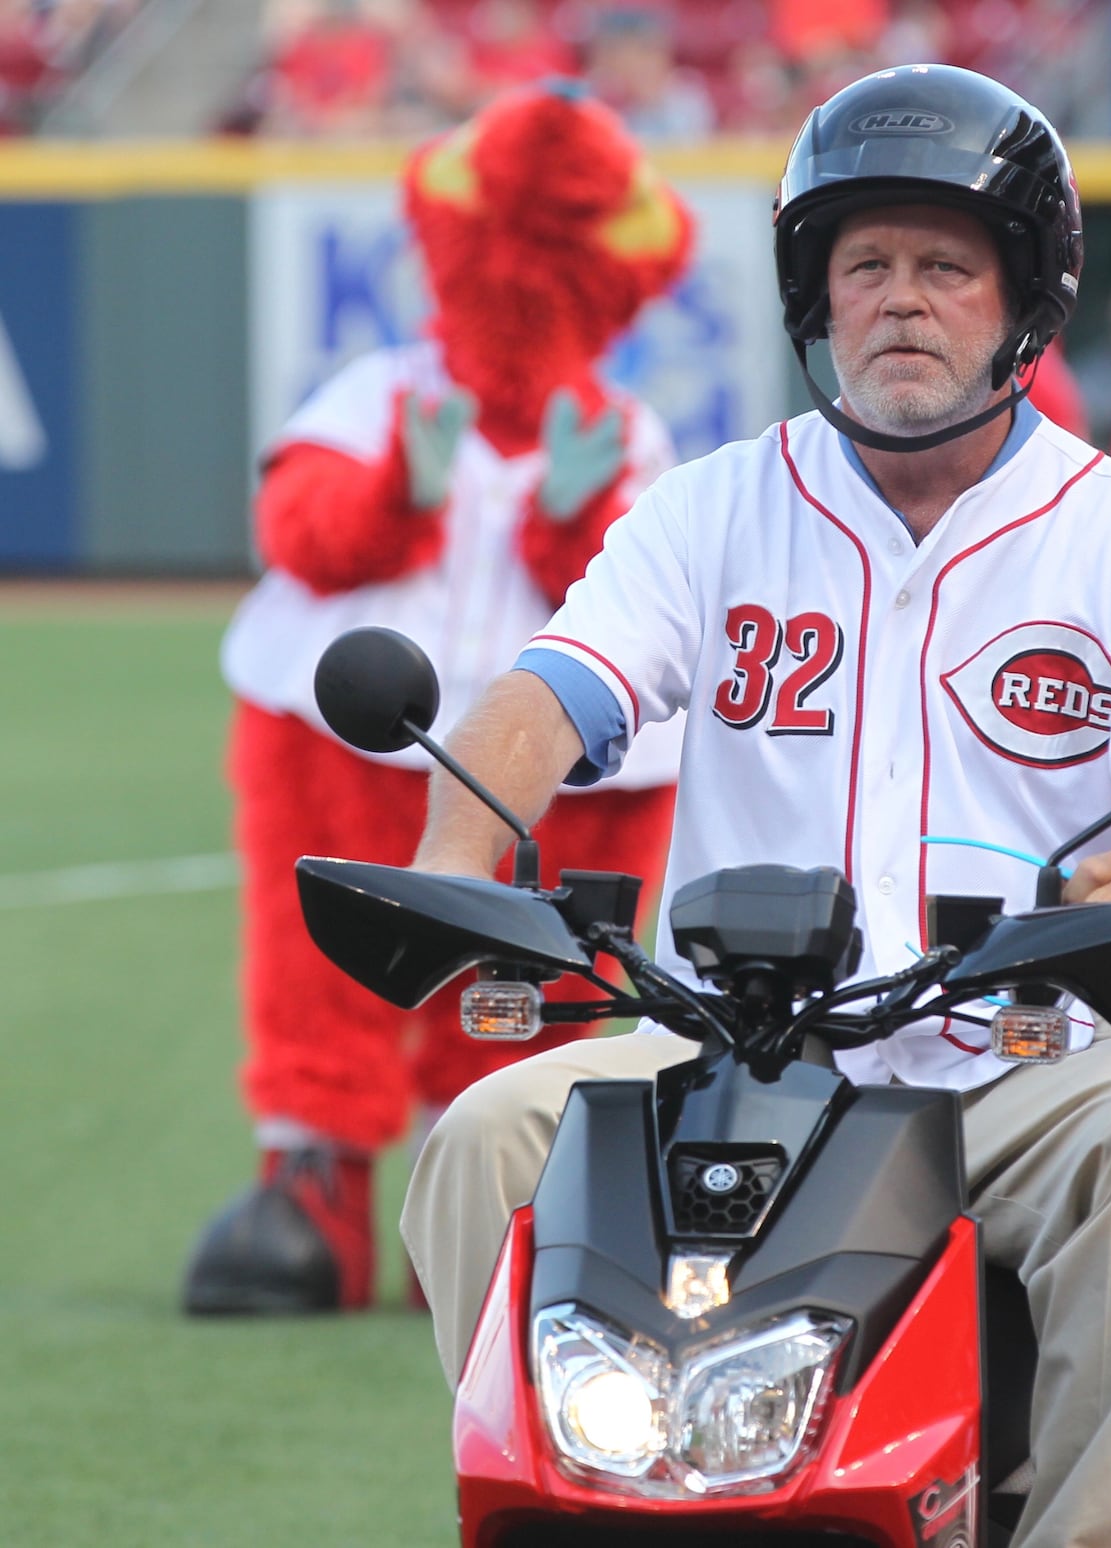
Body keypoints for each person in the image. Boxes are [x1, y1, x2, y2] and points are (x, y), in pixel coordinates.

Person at [399, 65, 1111, 1548]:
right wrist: (455, 859)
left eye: (945, 266)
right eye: (866, 265)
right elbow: (552, 694)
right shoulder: (715, 506)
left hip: (1017, 1055)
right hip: (721, 1042)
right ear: (818, 298)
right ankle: (567, 1509)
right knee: (484, 1134)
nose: (902, 302)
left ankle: (1090, 1533)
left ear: (1025, 303)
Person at [181, 84, 694, 1316]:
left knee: (525, 980)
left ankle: (496, 1192)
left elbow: (648, 595)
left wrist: (574, 508)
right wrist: (395, 495)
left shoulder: (625, 435)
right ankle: (315, 1179)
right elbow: (299, 531)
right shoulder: (381, 393)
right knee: (326, 967)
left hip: (553, 756)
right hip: (348, 729)